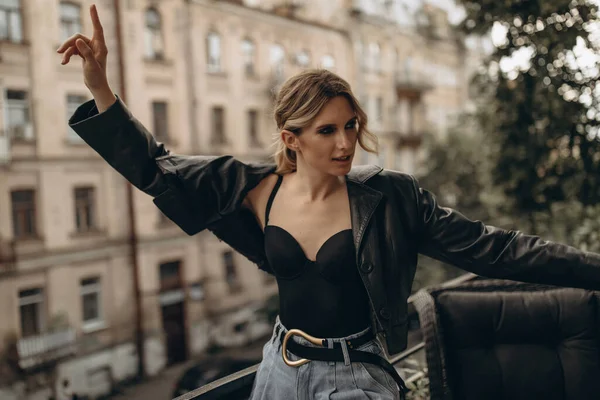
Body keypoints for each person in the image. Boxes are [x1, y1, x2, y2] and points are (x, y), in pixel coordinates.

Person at [58, 4, 600, 400]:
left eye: (350, 126)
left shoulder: (389, 198)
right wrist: (102, 89)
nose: (344, 143)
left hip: (355, 376)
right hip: (279, 366)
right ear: (291, 138)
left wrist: (593, 270)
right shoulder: (252, 188)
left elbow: (498, 250)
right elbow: (158, 169)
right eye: (326, 131)